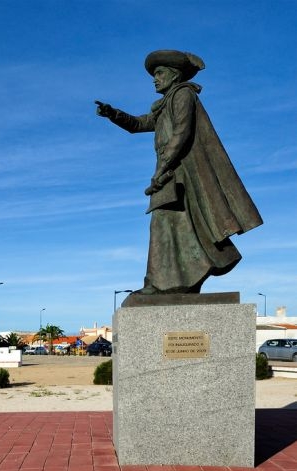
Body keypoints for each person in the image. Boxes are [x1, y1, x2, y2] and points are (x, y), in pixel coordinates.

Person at [96, 50, 262, 294]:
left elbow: (181, 133)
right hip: (172, 173)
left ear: (174, 75)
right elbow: (140, 124)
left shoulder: (183, 95)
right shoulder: (165, 104)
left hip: (184, 174)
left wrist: (162, 168)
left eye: (159, 73)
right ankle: (169, 281)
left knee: (170, 222)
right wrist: (114, 114)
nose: (155, 78)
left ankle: (160, 282)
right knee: (175, 225)